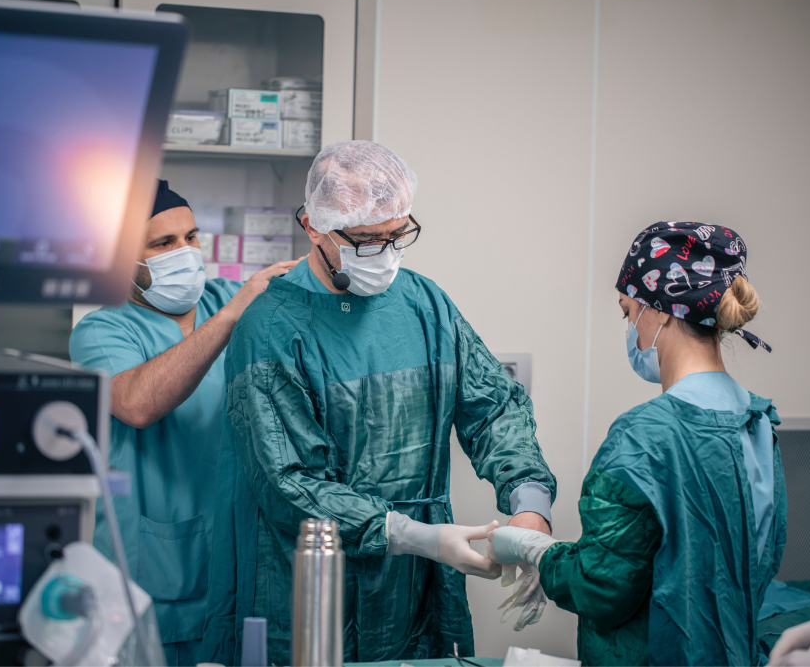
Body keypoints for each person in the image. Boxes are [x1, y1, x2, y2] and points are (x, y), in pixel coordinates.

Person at [199, 141, 556, 667]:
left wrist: (530, 509)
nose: (386, 254)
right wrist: (415, 535)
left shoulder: (424, 304)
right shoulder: (271, 329)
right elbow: (289, 483)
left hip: (417, 591)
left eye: (398, 235)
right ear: (314, 227)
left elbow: (494, 407)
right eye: (367, 240)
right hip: (312, 581)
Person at [487, 221, 785, 667]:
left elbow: (601, 587)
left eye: (628, 312)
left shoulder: (643, 437)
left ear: (660, 310)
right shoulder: (758, 423)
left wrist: (535, 551)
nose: (630, 328)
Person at [69, 180, 298, 667]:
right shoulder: (103, 329)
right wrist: (235, 314)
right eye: (163, 243)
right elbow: (136, 403)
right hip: (150, 572)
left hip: (237, 560)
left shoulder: (225, 298)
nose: (186, 253)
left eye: (191, 237)